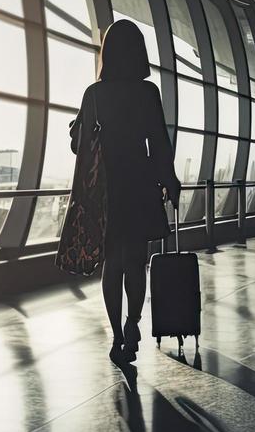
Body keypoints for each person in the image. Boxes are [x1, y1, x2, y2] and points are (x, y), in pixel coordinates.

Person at [70, 20, 180, 363]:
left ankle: (117, 336)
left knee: (112, 263)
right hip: (140, 183)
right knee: (136, 261)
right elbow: (159, 143)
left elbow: (80, 145)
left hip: (107, 186)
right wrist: (169, 180)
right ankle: (134, 323)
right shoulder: (148, 93)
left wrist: (78, 127)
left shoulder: (95, 94)